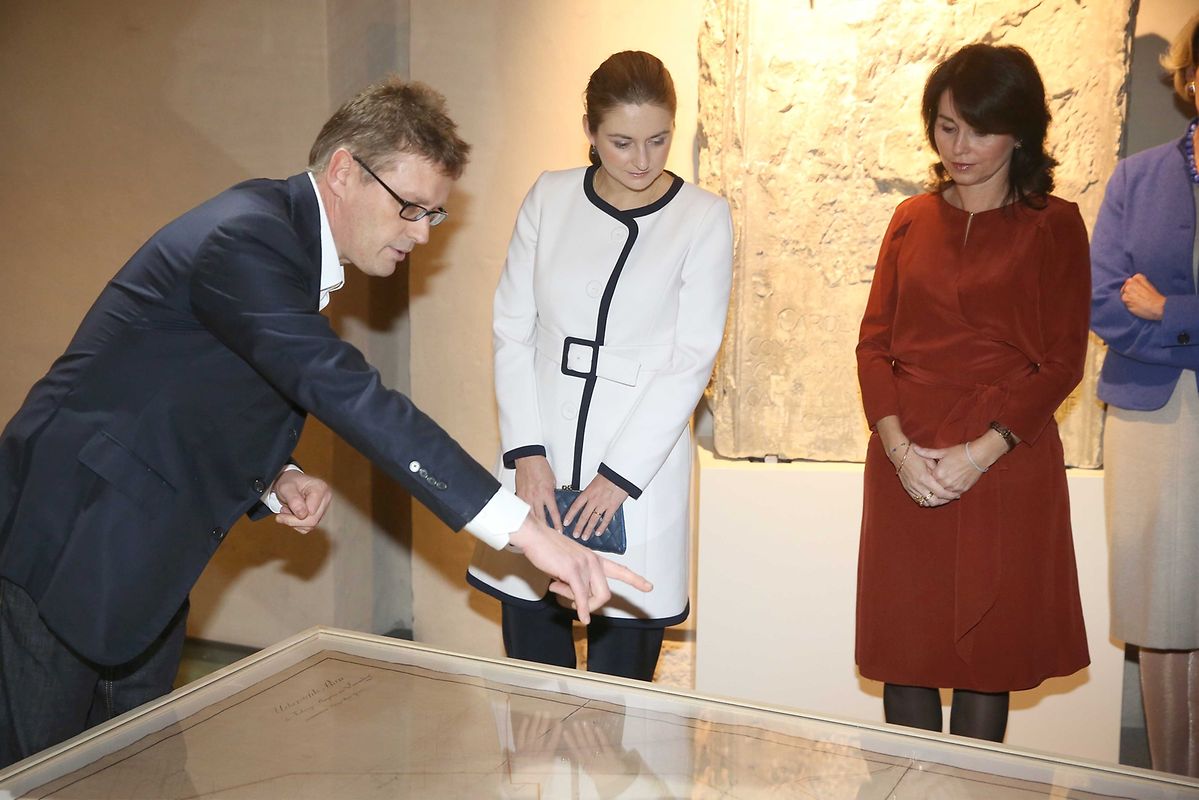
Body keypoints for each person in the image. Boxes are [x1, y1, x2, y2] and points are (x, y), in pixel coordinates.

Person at [0, 77, 650, 768]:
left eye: (432, 215)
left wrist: (274, 475)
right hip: (65, 539)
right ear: (344, 171)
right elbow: (350, 395)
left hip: (139, 557)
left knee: (142, 772)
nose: (421, 233)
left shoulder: (279, 241)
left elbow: (191, 388)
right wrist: (528, 534)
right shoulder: (243, 238)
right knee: (38, 774)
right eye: (410, 207)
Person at [467, 51, 733, 682]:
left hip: (641, 472)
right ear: (589, 130)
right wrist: (526, 453)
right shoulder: (549, 196)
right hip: (537, 463)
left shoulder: (703, 217)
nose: (642, 160)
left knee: (624, 693)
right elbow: (512, 329)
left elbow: (691, 359)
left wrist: (619, 478)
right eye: (621, 142)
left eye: (658, 140)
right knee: (535, 684)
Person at [854, 43, 1090, 742]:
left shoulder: (1054, 224)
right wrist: (898, 449)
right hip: (905, 457)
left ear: (1020, 133)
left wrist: (978, 454)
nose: (959, 147)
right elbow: (873, 345)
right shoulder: (909, 218)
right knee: (905, 651)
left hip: (1004, 458)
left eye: (980, 130)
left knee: (987, 660)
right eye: (946, 126)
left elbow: (1062, 363)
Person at [1089, 13, 1199, 778]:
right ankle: (1169, 781)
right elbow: (1103, 302)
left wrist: (1170, 311)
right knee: (1161, 608)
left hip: (1160, 370)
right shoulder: (1135, 178)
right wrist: (1178, 336)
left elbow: (1144, 306)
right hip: (1150, 417)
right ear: (1189, 78)